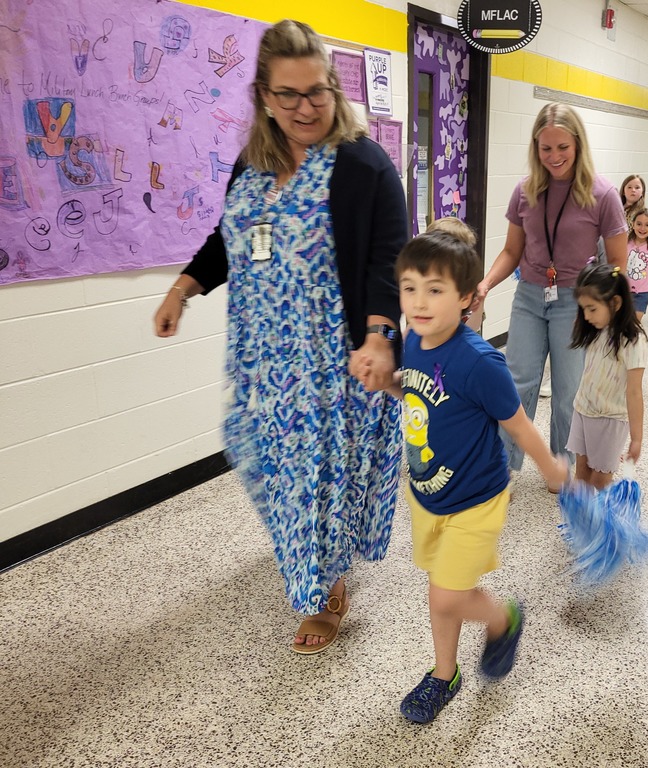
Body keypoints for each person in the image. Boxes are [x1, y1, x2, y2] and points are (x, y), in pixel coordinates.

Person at [152, 20, 407, 654]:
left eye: (317, 92)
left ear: (334, 87)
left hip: (330, 359)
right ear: (264, 95)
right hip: (262, 356)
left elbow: (388, 258)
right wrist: (182, 289)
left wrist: (379, 335)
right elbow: (226, 241)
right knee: (257, 456)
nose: (305, 108)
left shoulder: (363, 164)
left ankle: (323, 589)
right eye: (288, 94)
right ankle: (310, 552)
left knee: (312, 478)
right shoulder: (254, 162)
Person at [387, 227, 568, 724]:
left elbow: (519, 425)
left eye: (435, 289)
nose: (419, 302)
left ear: (467, 297)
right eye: (409, 288)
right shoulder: (413, 340)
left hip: (476, 498)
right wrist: (388, 384)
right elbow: (417, 393)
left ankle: (504, 618)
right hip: (427, 494)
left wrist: (551, 466)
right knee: (442, 593)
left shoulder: (481, 362)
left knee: (448, 592)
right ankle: (444, 675)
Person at [475, 103, 627, 487]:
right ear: (535, 148)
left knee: (568, 393)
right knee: (517, 382)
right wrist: (485, 283)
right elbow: (511, 251)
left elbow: (618, 264)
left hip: (576, 304)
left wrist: (609, 316)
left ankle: (563, 469)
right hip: (529, 295)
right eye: (546, 149)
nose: (555, 157)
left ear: (578, 145)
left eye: (563, 147)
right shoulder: (525, 191)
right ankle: (504, 469)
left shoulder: (603, 194)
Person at [568, 263, 647, 490]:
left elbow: (634, 392)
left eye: (592, 309)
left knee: (599, 481)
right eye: (583, 309)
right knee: (581, 474)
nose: (586, 316)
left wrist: (637, 438)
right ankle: (577, 523)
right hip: (582, 410)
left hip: (610, 419)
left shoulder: (633, 340)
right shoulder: (596, 329)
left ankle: (599, 525)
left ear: (615, 303)